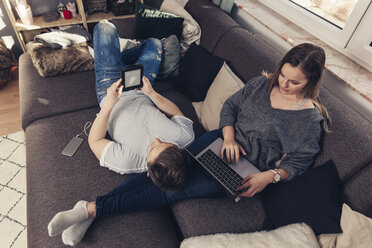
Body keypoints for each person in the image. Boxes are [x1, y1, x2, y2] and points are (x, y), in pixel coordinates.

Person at [47, 43, 329, 246]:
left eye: (294, 82)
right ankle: (88, 209)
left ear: (311, 81)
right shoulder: (261, 84)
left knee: (169, 192)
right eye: (283, 75)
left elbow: (301, 160)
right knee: (160, 170)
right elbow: (231, 107)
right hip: (217, 141)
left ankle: (91, 209)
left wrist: (270, 176)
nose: (283, 83)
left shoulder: (307, 117)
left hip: (244, 170)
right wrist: (228, 136)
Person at [89, 20, 195, 190]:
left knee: (105, 27)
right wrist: (151, 93)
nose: (156, 139)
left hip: (109, 88)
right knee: (154, 43)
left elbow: (95, 141)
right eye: (165, 142)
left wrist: (108, 105)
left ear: (148, 171)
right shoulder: (185, 138)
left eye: (153, 147)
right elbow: (175, 112)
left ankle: (113, 60)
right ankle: (118, 59)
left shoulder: (125, 162)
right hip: (142, 86)